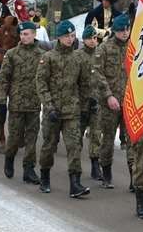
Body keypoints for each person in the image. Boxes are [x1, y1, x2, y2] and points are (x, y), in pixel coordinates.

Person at [36, 20, 91, 197]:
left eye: (72, 35)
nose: (70, 39)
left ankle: (75, 184)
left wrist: (85, 107)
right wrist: (49, 107)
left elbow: (84, 84)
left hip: (72, 111)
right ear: (59, 37)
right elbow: (41, 84)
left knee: (74, 146)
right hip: (52, 111)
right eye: (66, 36)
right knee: (49, 146)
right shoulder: (48, 57)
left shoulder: (78, 58)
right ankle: (44, 177)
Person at [0, 21, 45, 183]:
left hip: (34, 103)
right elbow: (4, 78)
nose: (23, 37)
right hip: (16, 103)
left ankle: (29, 169)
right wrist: (2, 100)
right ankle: (9, 159)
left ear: (34, 34)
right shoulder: (12, 54)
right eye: (21, 34)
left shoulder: (42, 55)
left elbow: (46, 79)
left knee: (32, 138)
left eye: (26, 34)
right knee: (14, 137)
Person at [92, 14, 135, 190]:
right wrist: (108, 96)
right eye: (121, 30)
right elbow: (97, 74)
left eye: (127, 29)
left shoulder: (134, 47)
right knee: (108, 139)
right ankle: (107, 175)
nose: (125, 33)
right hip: (109, 103)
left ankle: (134, 178)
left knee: (133, 141)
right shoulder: (104, 48)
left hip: (130, 102)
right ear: (115, 31)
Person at [75, 25, 102, 180]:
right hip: (80, 104)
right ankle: (75, 165)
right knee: (76, 136)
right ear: (84, 40)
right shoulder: (77, 56)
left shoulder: (100, 55)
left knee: (96, 135)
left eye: (94, 38)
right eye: (89, 38)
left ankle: (95, 165)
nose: (92, 41)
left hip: (97, 102)